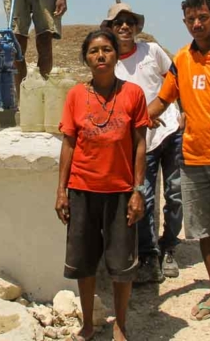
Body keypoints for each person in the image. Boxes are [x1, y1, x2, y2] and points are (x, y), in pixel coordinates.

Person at [148, 0, 210, 332]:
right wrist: (133, 119)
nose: (197, 24)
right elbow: (162, 99)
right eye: (190, 19)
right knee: (204, 232)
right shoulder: (182, 59)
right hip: (192, 158)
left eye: (202, 17)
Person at [55, 30, 148, 341]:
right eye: (94, 51)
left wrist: (138, 191)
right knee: (83, 262)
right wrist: (61, 191)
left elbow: (139, 145)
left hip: (121, 192)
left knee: (122, 264)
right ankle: (88, 324)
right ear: (86, 58)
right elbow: (68, 144)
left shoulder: (133, 94)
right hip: (82, 190)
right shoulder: (75, 96)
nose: (100, 56)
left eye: (107, 49)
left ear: (117, 55)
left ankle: (120, 325)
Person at [102, 3, 183, 284]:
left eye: (129, 21)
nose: (124, 26)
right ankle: (149, 253)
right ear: (110, 29)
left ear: (136, 27)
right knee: (144, 198)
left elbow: (174, 81)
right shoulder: (110, 63)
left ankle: (169, 247)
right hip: (139, 141)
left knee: (175, 194)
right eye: (118, 22)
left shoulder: (152, 51)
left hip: (170, 132)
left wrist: (183, 113)